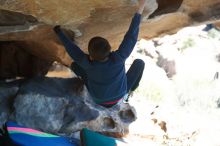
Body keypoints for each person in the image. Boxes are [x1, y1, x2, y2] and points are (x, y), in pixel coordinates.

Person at [54, 0, 147, 108]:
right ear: (109, 48)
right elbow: (131, 37)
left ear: (90, 56)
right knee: (139, 63)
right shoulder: (119, 58)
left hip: (101, 98)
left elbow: (72, 49)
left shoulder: (86, 63)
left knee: (75, 65)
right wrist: (140, 9)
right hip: (103, 97)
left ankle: (124, 92)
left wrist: (59, 32)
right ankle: (132, 90)